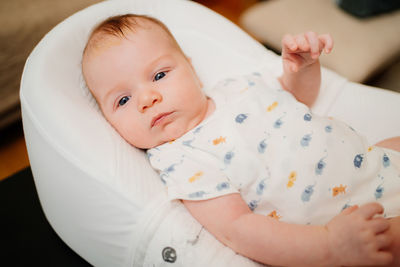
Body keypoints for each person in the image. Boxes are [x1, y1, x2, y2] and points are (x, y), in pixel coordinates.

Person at [82, 14, 400, 266]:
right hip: (353, 218)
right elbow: (239, 229)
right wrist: (330, 245)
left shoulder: (236, 87)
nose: (147, 98)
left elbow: (298, 98)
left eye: (160, 75)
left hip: (373, 159)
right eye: (122, 100)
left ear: (192, 69)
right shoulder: (182, 160)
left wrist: (303, 68)